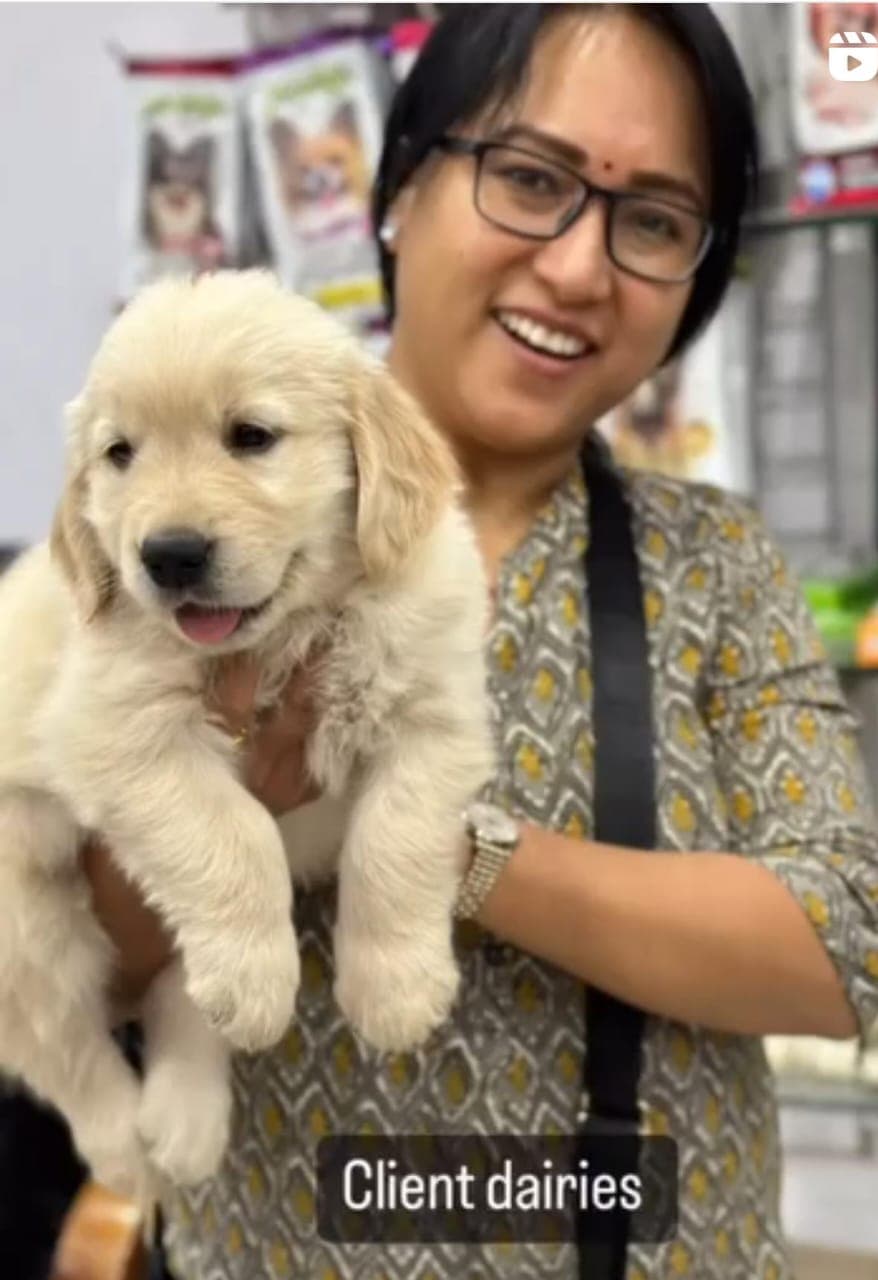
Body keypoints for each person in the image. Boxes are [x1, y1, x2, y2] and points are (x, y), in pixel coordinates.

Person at [82, 5, 878, 1278]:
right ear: (399, 187)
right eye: (526, 177)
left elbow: (845, 944)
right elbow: (55, 949)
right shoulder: (170, 536)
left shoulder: (713, 559)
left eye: (654, 222)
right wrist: (209, 809)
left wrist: (438, 841)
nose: (577, 267)